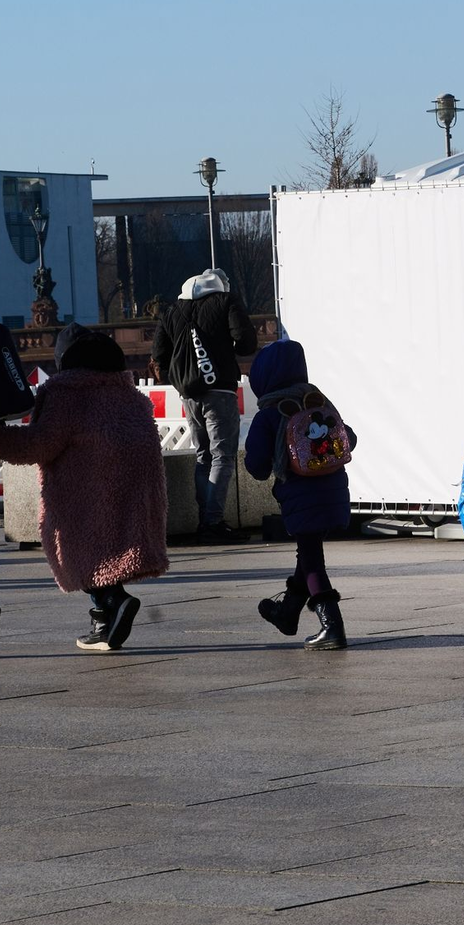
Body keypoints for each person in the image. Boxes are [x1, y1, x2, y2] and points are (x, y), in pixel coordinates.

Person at [0, 324, 169, 652]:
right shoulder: (129, 393)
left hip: (84, 488)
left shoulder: (66, 393)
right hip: (133, 484)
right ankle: (104, 623)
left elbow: (40, 443)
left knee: (82, 553)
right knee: (111, 550)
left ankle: (114, 600)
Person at [245, 339, 356, 650]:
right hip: (335, 492)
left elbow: (256, 466)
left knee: (312, 562)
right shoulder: (318, 402)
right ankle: (287, 613)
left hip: (299, 497)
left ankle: (332, 626)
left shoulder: (270, 413)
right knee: (307, 553)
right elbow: (351, 439)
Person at [152, 269, 258, 544]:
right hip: (219, 389)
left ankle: (204, 520)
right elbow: (246, 342)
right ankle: (213, 522)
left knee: (203, 456)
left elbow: (159, 356)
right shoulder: (226, 301)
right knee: (222, 455)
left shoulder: (172, 310)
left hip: (188, 392)